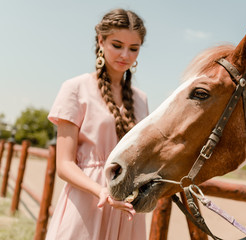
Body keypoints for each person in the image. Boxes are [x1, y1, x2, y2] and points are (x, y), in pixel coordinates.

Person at [46, 8, 148, 240]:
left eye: (134, 48)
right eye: (117, 44)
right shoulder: (75, 88)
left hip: (127, 209)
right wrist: (102, 191)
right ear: (101, 41)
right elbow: (64, 165)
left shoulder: (141, 99)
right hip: (88, 202)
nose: (125, 54)